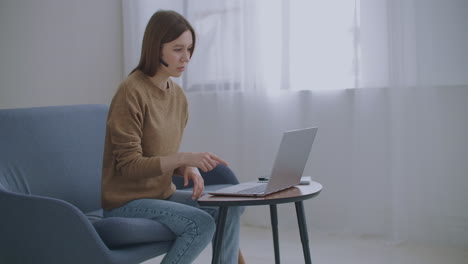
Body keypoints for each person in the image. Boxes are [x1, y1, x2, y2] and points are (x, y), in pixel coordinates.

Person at [101, 10, 241, 264]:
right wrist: (184, 157)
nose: (186, 58)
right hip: (125, 202)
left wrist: (183, 166)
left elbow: (157, 156)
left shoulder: (178, 97)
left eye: (189, 49)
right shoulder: (130, 91)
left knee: (230, 208)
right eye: (178, 49)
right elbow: (129, 166)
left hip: (161, 195)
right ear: (157, 48)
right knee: (200, 223)